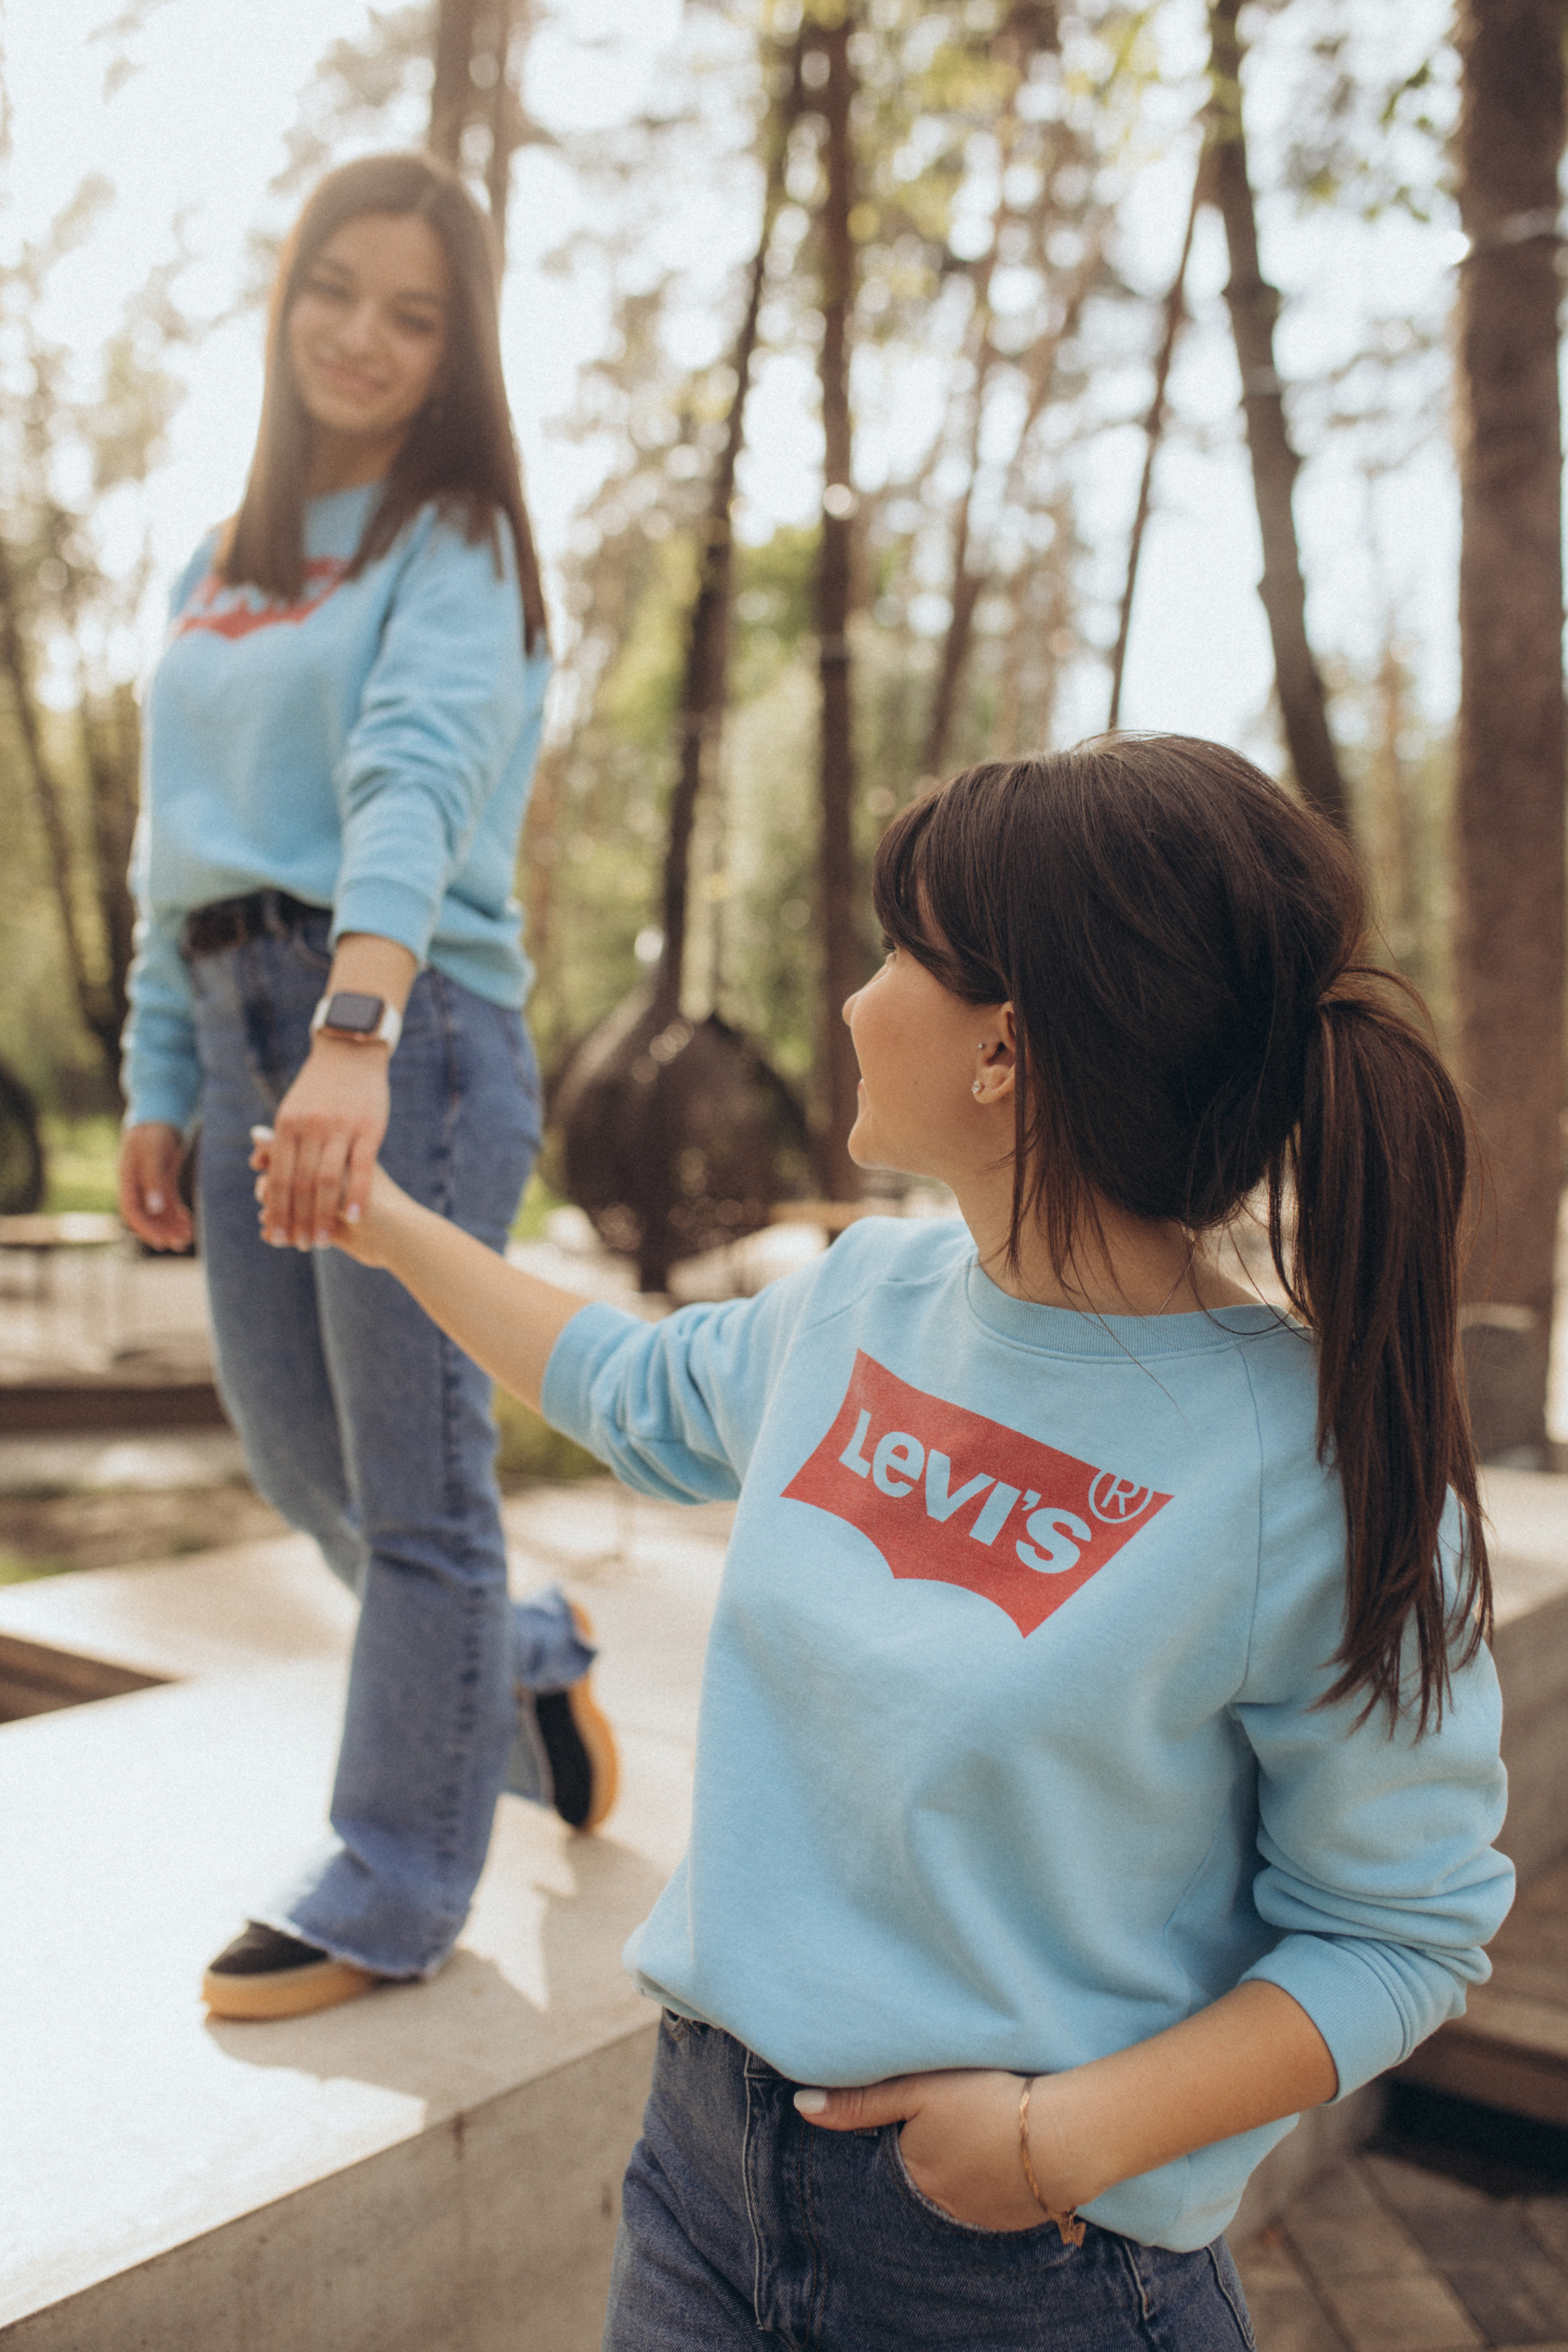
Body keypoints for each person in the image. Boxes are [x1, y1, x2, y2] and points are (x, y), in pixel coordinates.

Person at [273, 736, 1512, 2348]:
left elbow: (1399, 1933)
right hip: (702, 2185)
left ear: (1008, 1047)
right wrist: (376, 1221)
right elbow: (631, 1390)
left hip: (1027, 2268)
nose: (856, 1004)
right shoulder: (865, 1299)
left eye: (896, 953)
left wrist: (1060, 2141)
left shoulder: (1314, 1469)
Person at [117, 151, 617, 2026]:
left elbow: (413, 779)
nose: (363, 337)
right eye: (336, 289)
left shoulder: (454, 538)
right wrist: (160, 1076)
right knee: (297, 1460)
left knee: (412, 1484)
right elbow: (174, 847)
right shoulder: (222, 558)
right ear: (288, 296)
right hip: (235, 1018)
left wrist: (355, 1035)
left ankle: (395, 1882)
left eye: (416, 315)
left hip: (407, 1035)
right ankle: (532, 1648)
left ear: (459, 350)